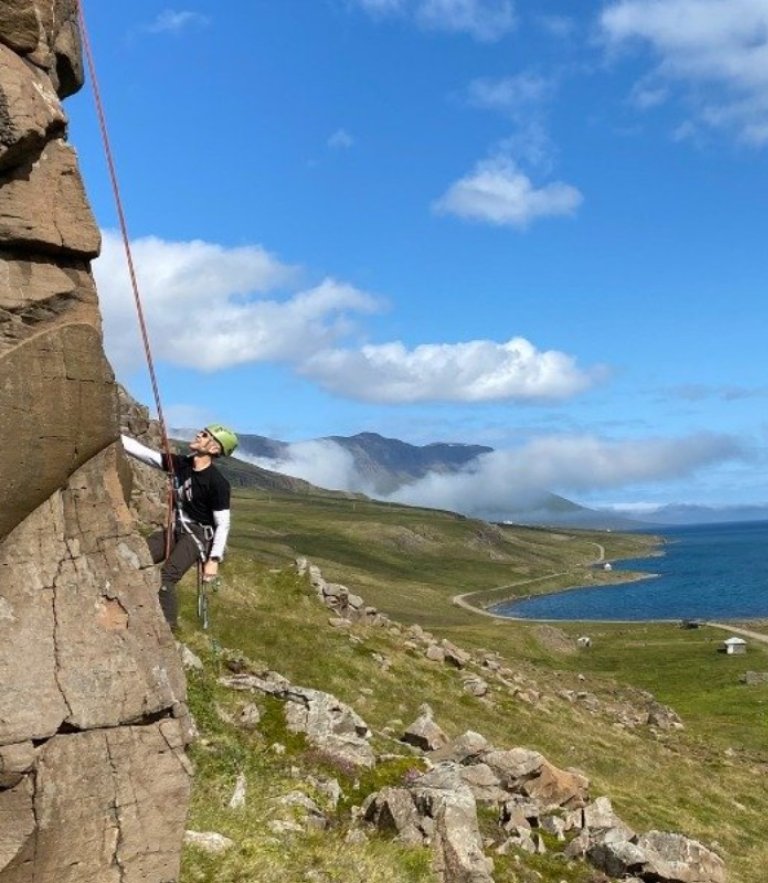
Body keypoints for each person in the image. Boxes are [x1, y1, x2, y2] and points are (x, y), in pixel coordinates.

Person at [121, 424, 239, 630]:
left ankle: (168, 628)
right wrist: (114, 436)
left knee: (166, 577)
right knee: (137, 554)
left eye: (205, 435)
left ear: (214, 448)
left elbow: (223, 524)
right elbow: (147, 455)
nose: (198, 434)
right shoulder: (182, 464)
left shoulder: (217, 483)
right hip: (177, 529)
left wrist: (213, 560)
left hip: (198, 535)